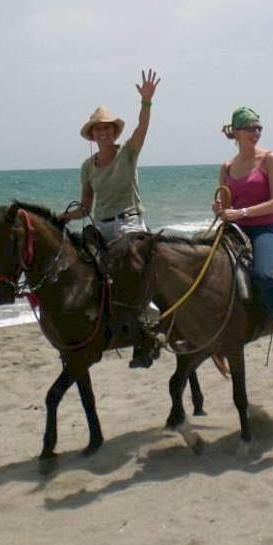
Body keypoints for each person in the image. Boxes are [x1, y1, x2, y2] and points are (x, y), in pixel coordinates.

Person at [59, 70, 160, 367]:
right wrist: (64, 217)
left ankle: (146, 318)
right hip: (100, 225)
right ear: (92, 135)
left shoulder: (128, 153)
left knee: (125, 262)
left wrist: (146, 102)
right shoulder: (87, 167)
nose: (103, 133)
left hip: (130, 222)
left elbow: (142, 129)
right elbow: (86, 205)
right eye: (97, 130)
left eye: (107, 129)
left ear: (114, 133)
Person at [213, 107, 273, 364]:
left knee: (263, 274)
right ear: (236, 133)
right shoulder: (227, 167)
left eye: (259, 127)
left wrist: (240, 212)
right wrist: (219, 209)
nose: (257, 132)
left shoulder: (269, 159)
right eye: (251, 128)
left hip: (266, 228)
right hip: (235, 229)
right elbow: (222, 202)